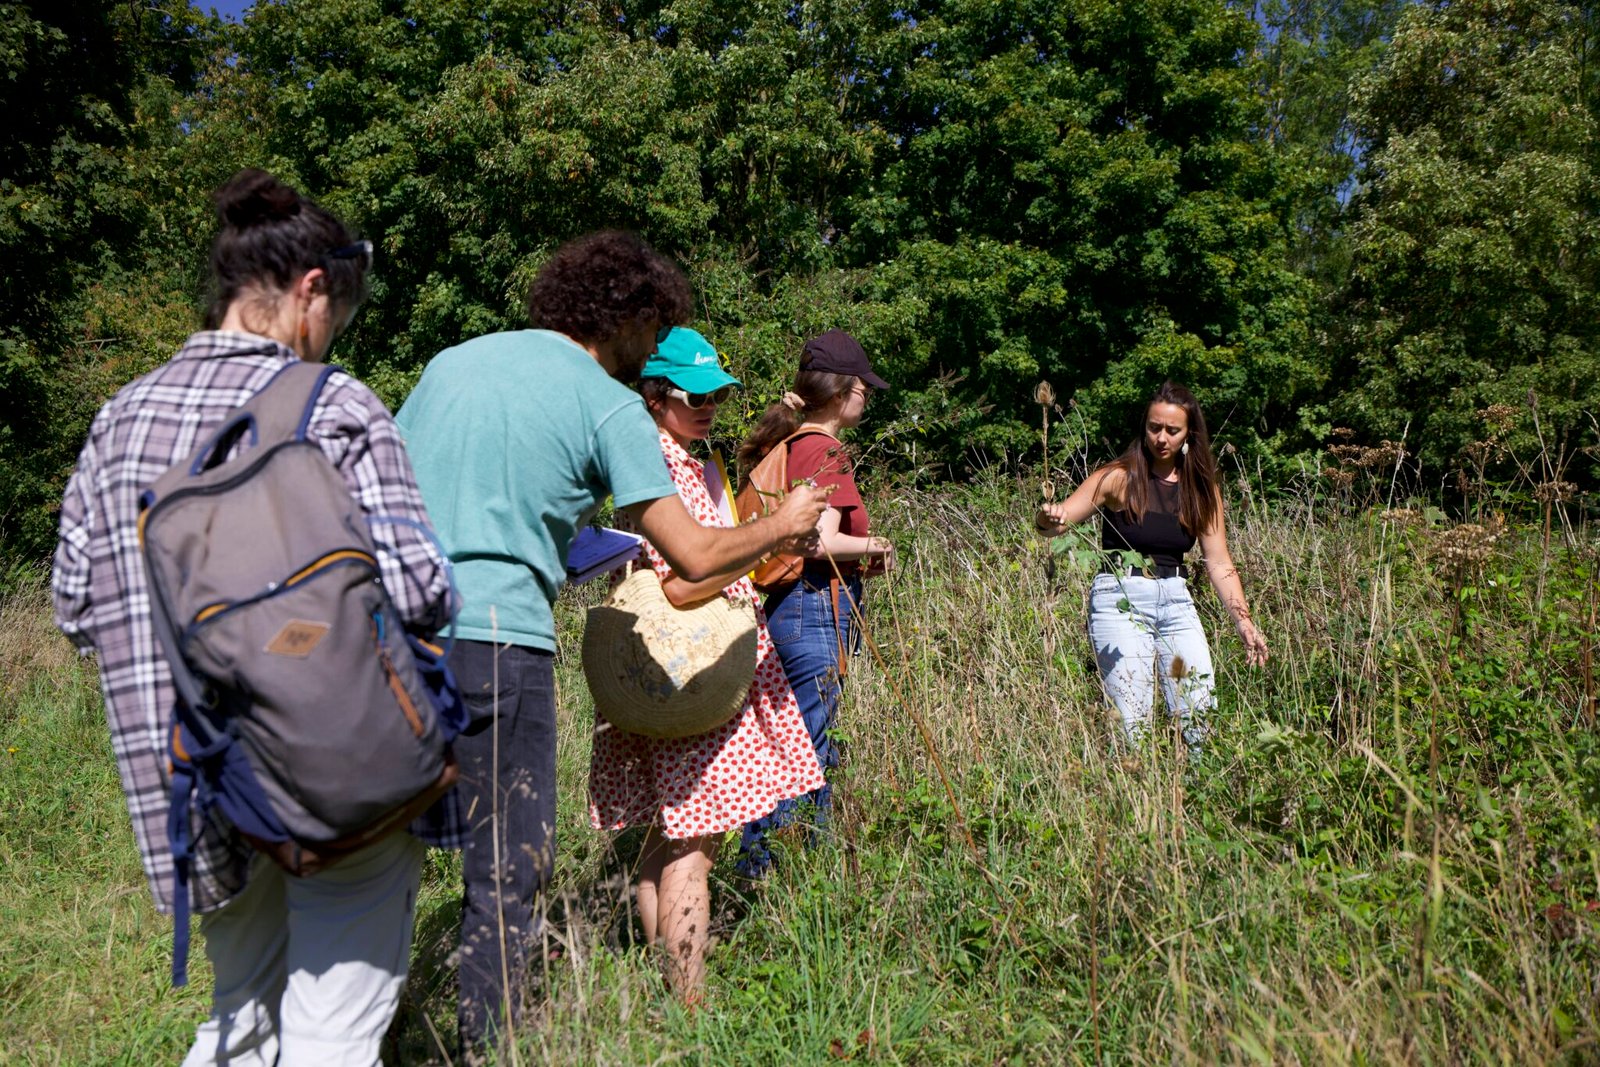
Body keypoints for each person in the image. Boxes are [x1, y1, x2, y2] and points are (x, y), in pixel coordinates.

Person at [51, 169, 456, 1065]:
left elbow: (75, 605)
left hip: (190, 780)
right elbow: (425, 590)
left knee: (242, 1013)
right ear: (311, 291)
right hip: (335, 771)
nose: (331, 339)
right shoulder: (337, 405)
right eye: (335, 318)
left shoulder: (118, 420)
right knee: (333, 1033)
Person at [393, 232, 832, 1056]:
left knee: (382, 860)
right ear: (629, 320)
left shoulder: (451, 363)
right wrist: (783, 522)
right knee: (505, 872)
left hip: (390, 637)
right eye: (654, 329)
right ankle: (491, 1049)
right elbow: (693, 555)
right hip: (498, 645)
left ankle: (359, 1036)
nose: (650, 352)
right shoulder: (605, 401)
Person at [587, 327, 826, 1000]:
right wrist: (773, 537)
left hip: (659, 671)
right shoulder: (665, 466)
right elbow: (684, 584)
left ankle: (665, 990)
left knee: (666, 838)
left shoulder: (669, 460)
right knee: (694, 845)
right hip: (692, 669)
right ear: (656, 397)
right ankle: (689, 1006)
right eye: (697, 394)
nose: (711, 405)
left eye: (719, 393)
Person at [732, 329, 896, 878]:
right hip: (813, 607)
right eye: (863, 386)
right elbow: (819, 540)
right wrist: (879, 545)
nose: (867, 395)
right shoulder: (826, 448)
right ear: (842, 389)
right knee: (806, 747)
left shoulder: (785, 443)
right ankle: (769, 875)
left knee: (789, 742)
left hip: (783, 606)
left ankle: (788, 873)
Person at [1034, 381, 1269, 748]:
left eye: (1172, 430)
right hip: (1119, 598)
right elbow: (1062, 520)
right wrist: (1049, 518)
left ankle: (1192, 793)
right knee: (1132, 722)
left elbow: (1219, 560)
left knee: (1199, 713)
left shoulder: (1201, 490)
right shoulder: (1118, 477)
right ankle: (1133, 795)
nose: (1161, 437)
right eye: (1154, 427)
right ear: (1144, 427)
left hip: (1176, 600)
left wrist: (1244, 621)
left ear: (1189, 434)